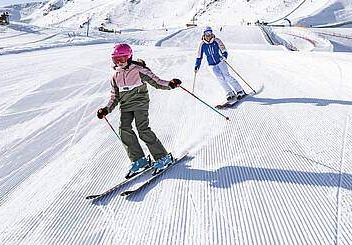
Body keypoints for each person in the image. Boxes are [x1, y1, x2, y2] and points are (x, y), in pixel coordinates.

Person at [97, 43, 181, 178]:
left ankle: (163, 157)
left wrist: (170, 84)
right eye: (115, 60)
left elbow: (157, 82)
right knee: (123, 129)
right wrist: (106, 109)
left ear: (129, 57)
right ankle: (139, 160)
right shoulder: (115, 76)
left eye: (122, 60)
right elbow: (114, 97)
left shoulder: (138, 70)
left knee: (142, 129)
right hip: (125, 105)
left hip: (140, 103)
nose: (119, 63)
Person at [194, 26, 245, 102]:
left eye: (210, 33)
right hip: (211, 65)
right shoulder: (202, 44)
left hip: (220, 61)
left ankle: (240, 90)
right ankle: (229, 92)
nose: (208, 35)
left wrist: (224, 56)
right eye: (206, 34)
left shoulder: (216, 41)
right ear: (203, 35)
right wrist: (197, 66)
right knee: (219, 78)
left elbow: (223, 49)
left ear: (212, 33)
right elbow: (199, 56)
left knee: (226, 76)